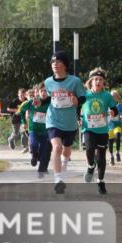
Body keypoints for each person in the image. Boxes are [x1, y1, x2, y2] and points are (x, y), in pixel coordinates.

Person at [39, 51, 87, 193]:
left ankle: (65, 161)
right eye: (53, 62)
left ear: (65, 65)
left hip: (70, 122)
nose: (55, 64)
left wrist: (77, 101)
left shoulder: (75, 81)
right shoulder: (48, 82)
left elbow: (83, 97)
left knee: (66, 150)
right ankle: (58, 179)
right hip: (53, 120)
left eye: (58, 61)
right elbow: (49, 98)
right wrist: (40, 101)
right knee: (57, 147)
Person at [81, 68, 117, 195]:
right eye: (95, 79)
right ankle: (91, 166)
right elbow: (77, 107)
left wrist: (113, 112)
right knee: (90, 149)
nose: (98, 82)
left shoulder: (107, 96)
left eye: (101, 80)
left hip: (102, 130)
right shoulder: (85, 95)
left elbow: (115, 109)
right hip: (88, 128)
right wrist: (78, 118)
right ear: (90, 82)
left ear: (103, 82)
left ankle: (101, 181)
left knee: (101, 157)